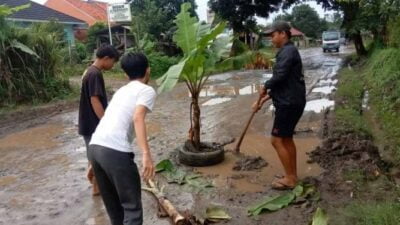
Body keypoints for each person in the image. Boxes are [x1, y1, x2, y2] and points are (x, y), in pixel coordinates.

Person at [88, 52, 156, 225]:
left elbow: (107, 120)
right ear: (148, 70)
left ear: (126, 74)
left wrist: (93, 160)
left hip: (95, 148)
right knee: (132, 208)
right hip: (115, 152)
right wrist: (146, 155)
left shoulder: (121, 91)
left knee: (114, 209)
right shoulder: (146, 90)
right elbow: (138, 117)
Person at [252, 21, 306, 190]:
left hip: (288, 104)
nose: (271, 39)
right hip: (292, 101)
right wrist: (262, 100)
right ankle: (292, 175)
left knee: (276, 141)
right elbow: (283, 85)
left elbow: (279, 77)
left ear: (283, 34)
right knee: (287, 139)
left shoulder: (288, 52)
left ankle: (290, 179)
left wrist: (265, 86)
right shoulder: (287, 51)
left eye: (273, 35)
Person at [78, 44, 120, 196]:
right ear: (106, 58)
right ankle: (96, 188)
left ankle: (97, 185)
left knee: (93, 154)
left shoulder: (89, 71)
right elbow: (95, 100)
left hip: (87, 121)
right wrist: (104, 122)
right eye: (113, 62)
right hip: (92, 123)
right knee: (95, 156)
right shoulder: (95, 74)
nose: (113, 65)